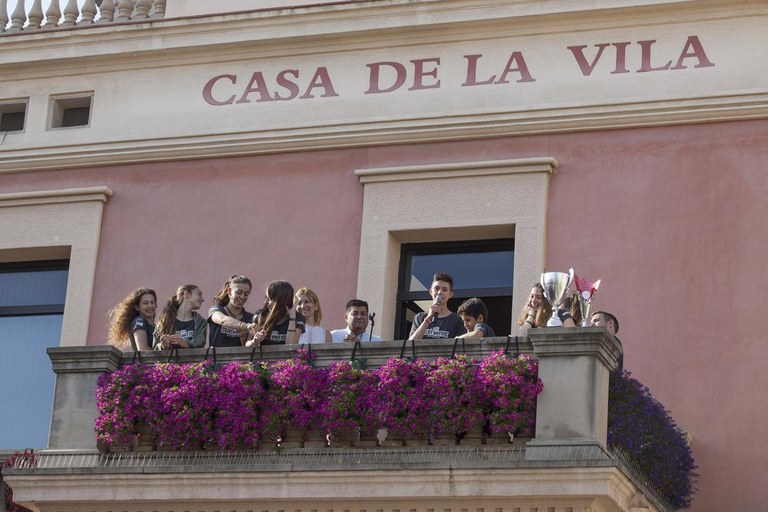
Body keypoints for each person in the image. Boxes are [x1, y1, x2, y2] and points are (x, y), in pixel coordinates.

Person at [408, 272, 467, 340]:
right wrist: (428, 319)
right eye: (436, 288)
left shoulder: (457, 320)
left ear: (450, 294)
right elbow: (411, 344)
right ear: (431, 292)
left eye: (444, 290)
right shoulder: (420, 317)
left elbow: (461, 346)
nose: (440, 292)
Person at [245, 280, 304, 346]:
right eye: (265, 297)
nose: (266, 301)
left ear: (281, 300)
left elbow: (290, 346)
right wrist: (254, 341)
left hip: (285, 356)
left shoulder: (298, 317)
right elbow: (247, 343)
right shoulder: (260, 315)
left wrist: (292, 317)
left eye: (269, 299)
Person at [153, 284, 207, 350]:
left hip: (191, 360)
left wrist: (184, 342)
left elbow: (199, 345)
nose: (203, 299)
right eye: (199, 294)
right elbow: (155, 347)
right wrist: (163, 346)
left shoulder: (201, 322)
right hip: (168, 360)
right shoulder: (164, 319)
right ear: (187, 294)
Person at [207, 275, 256, 348]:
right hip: (216, 358)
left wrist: (252, 339)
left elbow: (248, 346)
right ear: (229, 291)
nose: (242, 297)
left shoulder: (251, 318)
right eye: (239, 292)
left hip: (241, 359)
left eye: (246, 294)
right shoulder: (216, 309)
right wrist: (244, 326)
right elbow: (223, 320)